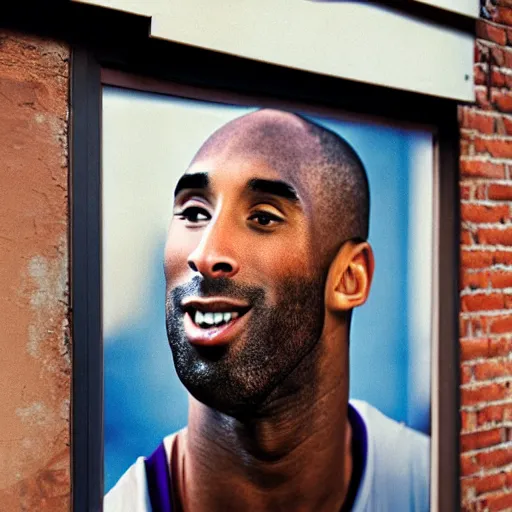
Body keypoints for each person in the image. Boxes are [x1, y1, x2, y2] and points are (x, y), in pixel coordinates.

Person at [105, 109, 430, 511]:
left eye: (263, 218)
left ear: (349, 279)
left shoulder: (436, 486)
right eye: (193, 214)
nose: (205, 254)